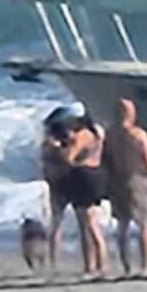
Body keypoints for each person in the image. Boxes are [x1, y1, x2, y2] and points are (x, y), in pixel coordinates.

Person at [103, 98, 147, 275]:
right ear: (131, 114)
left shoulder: (110, 134)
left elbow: (106, 159)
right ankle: (146, 265)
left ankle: (126, 265)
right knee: (144, 224)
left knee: (123, 224)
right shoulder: (138, 135)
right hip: (136, 178)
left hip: (117, 179)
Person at [61, 114, 109, 274]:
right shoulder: (97, 135)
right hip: (97, 174)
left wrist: (64, 146)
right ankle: (94, 264)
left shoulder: (81, 136)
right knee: (91, 221)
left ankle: (96, 264)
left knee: (88, 224)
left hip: (83, 175)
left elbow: (69, 158)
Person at [38, 116, 74, 270]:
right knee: (58, 223)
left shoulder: (46, 146)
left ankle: (54, 260)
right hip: (63, 183)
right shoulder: (55, 147)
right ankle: (54, 259)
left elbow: (44, 168)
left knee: (56, 223)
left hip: (55, 184)